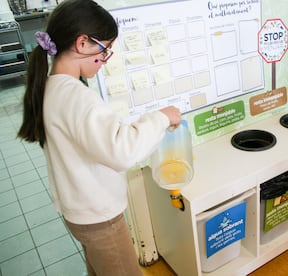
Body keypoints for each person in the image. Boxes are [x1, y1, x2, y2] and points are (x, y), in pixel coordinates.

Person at [17, 0, 181, 275]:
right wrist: (162, 117)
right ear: (82, 43)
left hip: (80, 214)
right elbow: (123, 152)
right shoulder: (76, 97)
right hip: (100, 219)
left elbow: (100, 138)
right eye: (104, 51)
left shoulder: (52, 87)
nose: (104, 61)